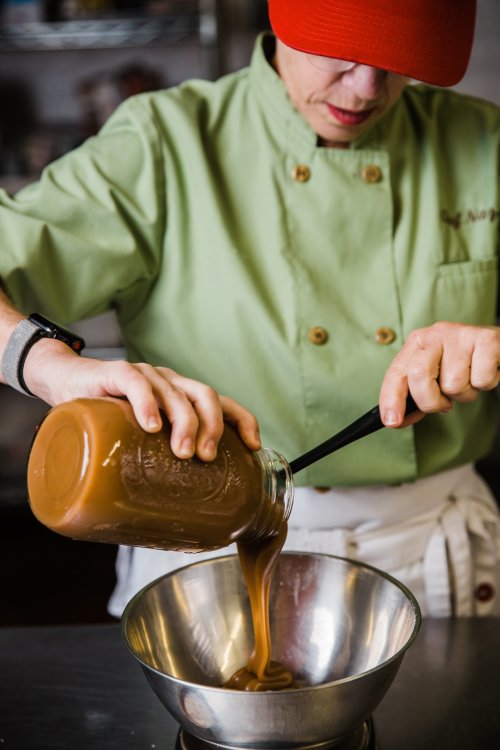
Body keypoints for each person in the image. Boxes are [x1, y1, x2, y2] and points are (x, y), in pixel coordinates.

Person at [0, 0, 499, 618]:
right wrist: (53, 368)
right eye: (339, 49)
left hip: (434, 554)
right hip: (201, 547)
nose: (368, 87)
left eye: (399, 61)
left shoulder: (483, 142)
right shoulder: (165, 144)